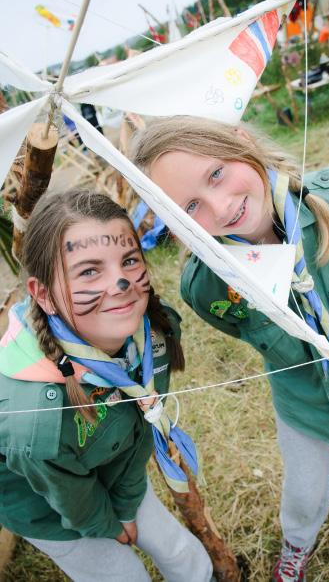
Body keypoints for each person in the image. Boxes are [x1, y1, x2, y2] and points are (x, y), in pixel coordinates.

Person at [130, 115, 329, 582]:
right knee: (303, 493)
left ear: (241, 141)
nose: (220, 207)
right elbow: (241, 327)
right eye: (191, 205)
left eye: (216, 172)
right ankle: (296, 547)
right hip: (301, 396)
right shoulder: (205, 286)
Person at [0, 188, 213, 582]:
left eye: (129, 261)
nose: (121, 283)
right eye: (89, 270)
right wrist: (109, 524)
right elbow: (67, 495)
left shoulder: (154, 334)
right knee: (123, 575)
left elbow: (140, 433)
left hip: (110, 466)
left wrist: (128, 502)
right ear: (43, 295)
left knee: (182, 553)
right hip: (46, 506)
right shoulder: (34, 418)